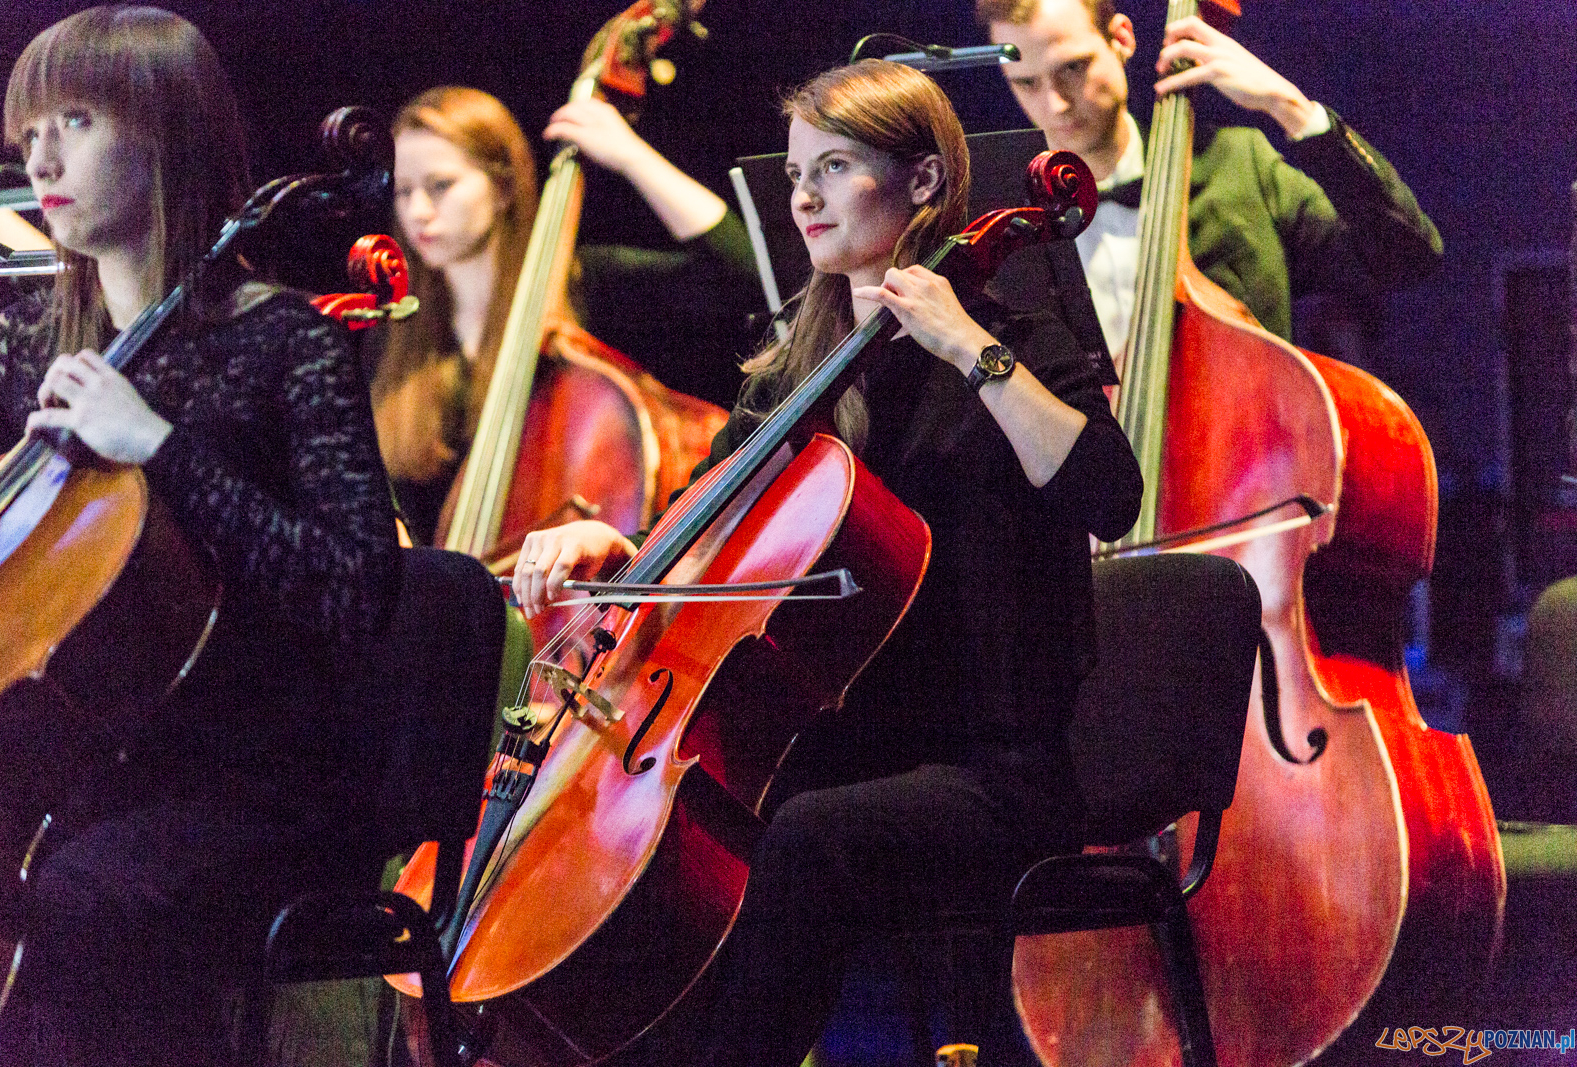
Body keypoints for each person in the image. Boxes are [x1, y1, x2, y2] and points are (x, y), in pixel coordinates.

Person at [511, 59, 1142, 1066]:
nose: (801, 195)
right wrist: (624, 548)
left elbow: (1109, 493)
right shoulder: (796, 370)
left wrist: (969, 348)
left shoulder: (1016, 336)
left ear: (924, 182)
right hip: (839, 749)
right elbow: (705, 522)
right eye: (797, 170)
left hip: (996, 769)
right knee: (700, 833)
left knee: (805, 836)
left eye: (835, 166)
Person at [0, 7, 403, 1064]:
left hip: (261, 784)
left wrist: (159, 445)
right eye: (30, 131)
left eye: (74, 120)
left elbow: (356, 590)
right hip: (82, 772)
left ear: (164, 136)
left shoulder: (280, 341)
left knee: (80, 899)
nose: (41, 156)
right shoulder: (26, 341)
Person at [371, 86, 759, 544]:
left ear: (503, 187)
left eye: (441, 185)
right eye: (403, 191)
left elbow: (749, 276)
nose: (418, 211)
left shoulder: (588, 284)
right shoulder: (396, 328)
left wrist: (633, 157)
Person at [978, 0, 1443, 357]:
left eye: (1072, 68)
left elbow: (1407, 258)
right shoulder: (1011, 230)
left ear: (1121, 39)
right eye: (1026, 83)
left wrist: (1293, 109)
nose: (1055, 104)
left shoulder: (1240, 165)